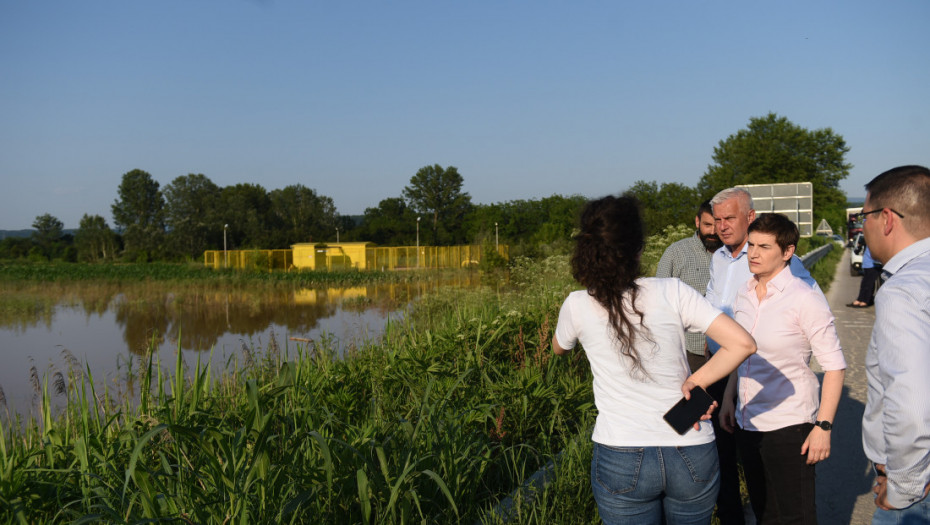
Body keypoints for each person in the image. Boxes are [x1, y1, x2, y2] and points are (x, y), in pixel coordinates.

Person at [552, 195, 757, 524]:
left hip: (621, 452)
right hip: (690, 444)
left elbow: (559, 348)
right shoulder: (672, 291)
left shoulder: (576, 304)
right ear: (637, 248)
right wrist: (696, 381)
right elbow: (743, 344)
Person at [719, 213, 847, 524]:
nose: (754, 253)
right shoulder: (743, 293)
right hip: (748, 421)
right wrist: (728, 399)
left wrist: (823, 427)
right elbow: (739, 353)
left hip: (790, 426)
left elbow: (835, 367)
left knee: (795, 516)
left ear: (787, 252)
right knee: (764, 513)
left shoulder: (805, 299)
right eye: (750, 244)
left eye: (764, 246)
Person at [704, 187, 821, 524]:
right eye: (717, 220)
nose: (722, 226)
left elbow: (809, 321)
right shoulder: (719, 260)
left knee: (787, 492)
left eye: (730, 218)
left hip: (772, 384)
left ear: (750, 217)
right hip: (727, 374)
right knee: (730, 462)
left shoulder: (785, 264)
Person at [859, 165, 930, 523]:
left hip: (919, 488)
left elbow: (912, 405)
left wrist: (904, 489)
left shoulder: (903, 292)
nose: (863, 225)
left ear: (886, 219)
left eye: (864, 215)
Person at [656, 200, 723, 373]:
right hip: (691, 350)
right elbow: (659, 300)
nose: (713, 232)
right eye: (707, 225)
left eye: (717, 225)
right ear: (697, 222)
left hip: (729, 348)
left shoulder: (734, 253)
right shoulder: (676, 253)